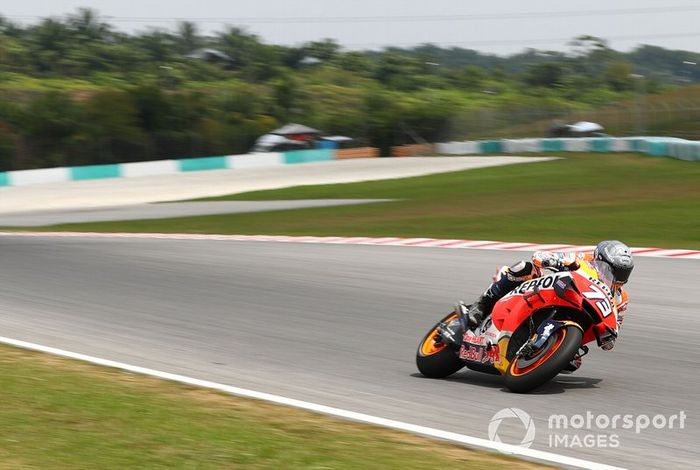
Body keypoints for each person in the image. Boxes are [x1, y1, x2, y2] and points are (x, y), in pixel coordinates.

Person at [438, 240, 634, 353]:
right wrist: (549, 259)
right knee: (524, 268)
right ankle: (480, 306)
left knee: (573, 360)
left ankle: (556, 346)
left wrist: (606, 338)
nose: (618, 277)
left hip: (576, 318)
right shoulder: (581, 261)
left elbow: (612, 333)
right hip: (548, 295)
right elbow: (540, 256)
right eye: (614, 270)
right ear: (600, 260)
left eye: (623, 273)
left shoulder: (620, 299)